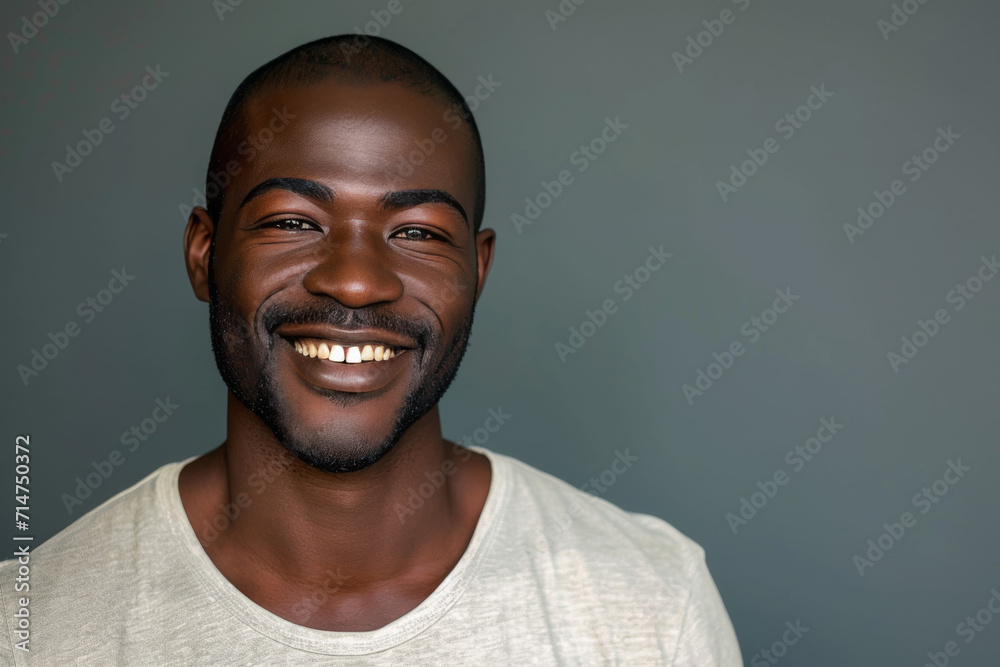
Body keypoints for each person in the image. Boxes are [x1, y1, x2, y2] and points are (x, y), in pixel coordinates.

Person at [0, 35, 742, 664]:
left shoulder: (650, 605)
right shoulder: (32, 630)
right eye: (293, 222)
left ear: (476, 272)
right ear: (203, 251)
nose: (354, 282)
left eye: (417, 232)